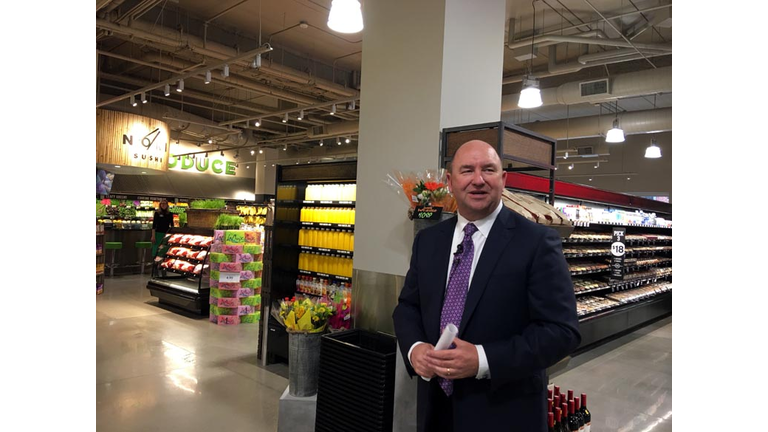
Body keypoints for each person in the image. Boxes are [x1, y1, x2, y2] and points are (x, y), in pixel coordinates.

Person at [392, 140, 580, 432]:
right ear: (450, 182)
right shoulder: (429, 241)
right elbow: (408, 307)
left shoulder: (537, 242)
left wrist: (482, 359)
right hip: (435, 410)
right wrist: (415, 348)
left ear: (503, 179)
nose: (478, 180)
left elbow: (562, 332)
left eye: (488, 170)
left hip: (504, 413)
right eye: (467, 170)